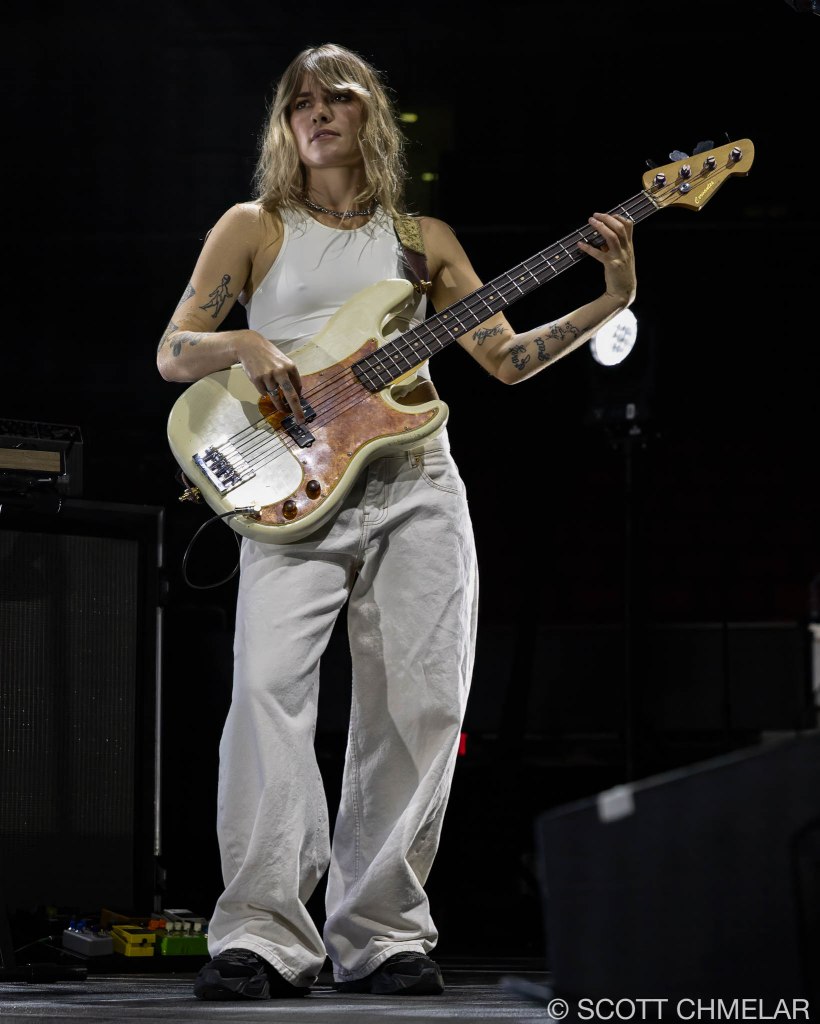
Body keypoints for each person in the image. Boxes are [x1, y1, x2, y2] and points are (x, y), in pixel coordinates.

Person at [156, 41, 636, 1001]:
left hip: (415, 479)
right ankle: (260, 937)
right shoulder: (253, 226)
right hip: (292, 482)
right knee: (265, 695)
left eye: (336, 98)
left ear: (369, 114)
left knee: (419, 707)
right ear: (284, 125)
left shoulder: (424, 241)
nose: (315, 113)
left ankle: (380, 934)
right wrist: (244, 343)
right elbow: (173, 352)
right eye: (298, 102)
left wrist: (610, 299)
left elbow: (505, 360)